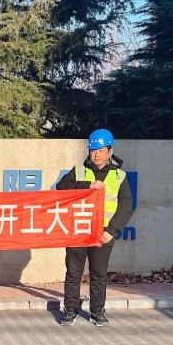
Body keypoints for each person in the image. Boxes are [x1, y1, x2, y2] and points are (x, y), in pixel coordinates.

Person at [56, 128, 134, 327]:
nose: (96, 154)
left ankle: (97, 311)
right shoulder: (78, 171)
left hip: (103, 233)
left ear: (109, 150)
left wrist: (112, 230)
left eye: (101, 150)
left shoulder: (119, 176)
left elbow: (126, 206)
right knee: (73, 273)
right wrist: (87, 185)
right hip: (78, 231)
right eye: (93, 150)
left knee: (99, 274)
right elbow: (61, 188)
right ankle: (70, 310)